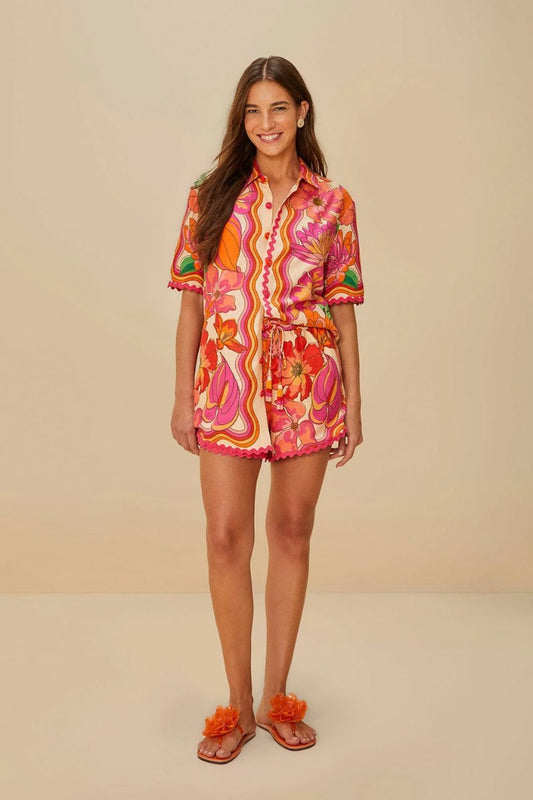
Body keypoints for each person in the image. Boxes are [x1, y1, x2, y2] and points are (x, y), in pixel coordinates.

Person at [168, 55, 364, 764]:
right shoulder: (210, 194)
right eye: (253, 110)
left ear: (302, 112)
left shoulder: (333, 203)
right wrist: (182, 396)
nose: (265, 122)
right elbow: (193, 304)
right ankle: (237, 705)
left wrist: (354, 405)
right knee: (225, 536)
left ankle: (277, 698)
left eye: (278, 107)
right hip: (226, 385)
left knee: (291, 532)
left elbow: (343, 312)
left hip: (307, 389)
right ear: (241, 119)